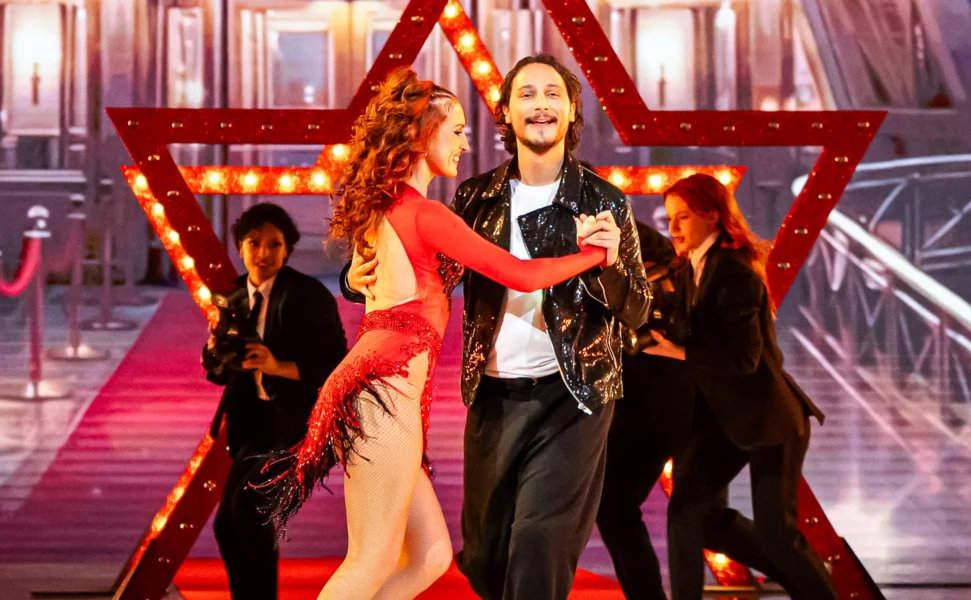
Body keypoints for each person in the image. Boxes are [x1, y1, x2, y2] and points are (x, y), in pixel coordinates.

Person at [256, 67, 608, 600]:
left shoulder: (391, 208)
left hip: (380, 389)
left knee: (430, 556)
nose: (466, 144)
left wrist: (354, 279)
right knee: (371, 558)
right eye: (458, 131)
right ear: (423, 135)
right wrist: (593, 256)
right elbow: (521, 275)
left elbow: (378, 281)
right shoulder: (424, 214)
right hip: (383, 392)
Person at [344, 54, 651, 600]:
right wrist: (356, 278)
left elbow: (639, 308)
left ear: (572, 110)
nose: (541, 105)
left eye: (553, 94)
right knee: (484, 557)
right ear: (506, 112)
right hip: (494, 396)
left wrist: (606, 264)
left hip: (574, 396)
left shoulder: (605, 201)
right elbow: (429, 274)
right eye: (527, 95)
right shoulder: (474, 196)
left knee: (538, 541)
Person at [643, 173, 839, 600]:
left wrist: (678, 352)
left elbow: (743, 360)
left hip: (769, 421)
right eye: (669, 217)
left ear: (712, 217)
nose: (672, 227)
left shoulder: (734, 272)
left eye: (683, 217)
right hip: (724, 421)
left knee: (777, 535)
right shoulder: (692, 265)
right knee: (688, 515)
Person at [202, 202, 347, 600]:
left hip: (304, 425)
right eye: (254, 243)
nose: (263, 253)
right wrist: (215, 351)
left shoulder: (308, 295)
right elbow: (219, 374)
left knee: (250, 514)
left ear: (287, 250)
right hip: (255, 426)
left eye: (274, 244)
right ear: (240, 247)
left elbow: (336, 367)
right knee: (227, 525)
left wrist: (276, 365)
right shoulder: (231, 296)